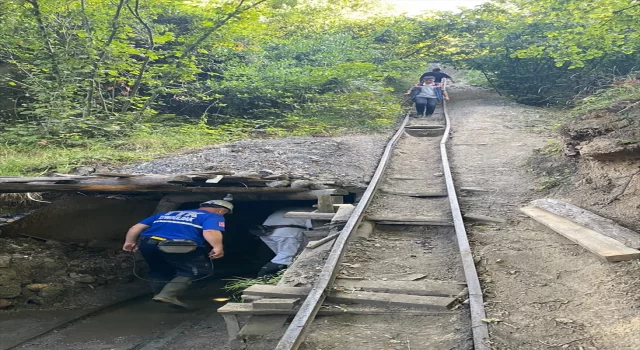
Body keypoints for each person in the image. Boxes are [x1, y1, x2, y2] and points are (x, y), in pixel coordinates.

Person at [122, 200, 233, 308]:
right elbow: (210, 231)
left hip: (148, 243)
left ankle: (159, 295)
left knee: (158, 269)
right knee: (194, 270)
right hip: (177, 245)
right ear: (221, 211)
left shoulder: (167, 213)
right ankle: (167, 295)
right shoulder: (213, 216)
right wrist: (217, 247)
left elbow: (136, 227)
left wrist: (129, 242)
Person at [255, 208, 312, 278]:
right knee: (286, 256)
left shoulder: (296, 209)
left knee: (281, 255)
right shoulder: (314, 212)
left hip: (265, 232)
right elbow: (311, 228)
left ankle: (277, 273)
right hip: (285, 232)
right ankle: (264, 274)